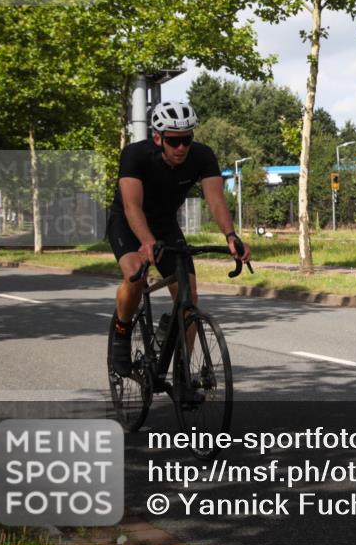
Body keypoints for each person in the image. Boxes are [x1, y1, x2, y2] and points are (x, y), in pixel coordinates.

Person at [107, 101, 251, 376]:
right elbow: (131, 207)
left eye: (187, 139)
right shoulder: (135, 156)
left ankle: (183, 372)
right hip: (127, 222)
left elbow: (216, 199)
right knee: (135, 273)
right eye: (174, 141)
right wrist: (147, 241)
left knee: (189, 298)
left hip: (165, 226)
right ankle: (122, 331)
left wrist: (231, 236)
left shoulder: (202, 156)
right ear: (158, 138)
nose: (182, 147)